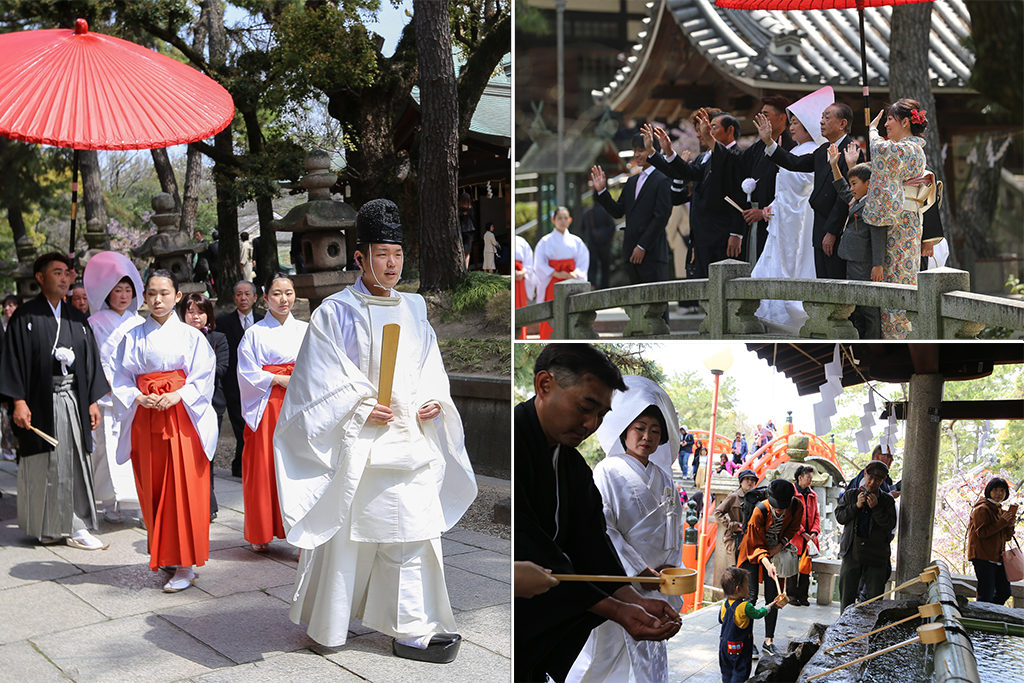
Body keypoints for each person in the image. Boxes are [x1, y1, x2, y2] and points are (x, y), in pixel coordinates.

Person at [273, 199, 477, 662]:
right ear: (360, 257)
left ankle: (409, 629)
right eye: (382, 254)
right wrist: (360, 406)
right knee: (346, 537)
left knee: (413, 532)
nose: (392, 264)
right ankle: (330, 622)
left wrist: (434, 399)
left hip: (412, 437)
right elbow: (317, 381)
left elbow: (429, 364)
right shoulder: (334, 313)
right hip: (361, 443)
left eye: (398, 255)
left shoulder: (415, 307)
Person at [516, 344, 681, 683]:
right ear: (545, 385)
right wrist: (621, 604)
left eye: (602, 415)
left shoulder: (573, 465)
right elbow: (540, 551)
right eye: (585, 407)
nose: (591, 424)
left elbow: (591, 543)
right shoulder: (517, 440)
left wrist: (632, 601)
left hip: (618, 586)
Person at [566, 375, 683, 683]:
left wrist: (673, 568)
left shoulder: (665, 477)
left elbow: (675, 527)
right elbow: (603, 528)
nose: (647, 436)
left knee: (650, 656)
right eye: (640, 428)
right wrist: (637, 569)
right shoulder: (608, 471)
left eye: (655, 431)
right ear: (625, 431)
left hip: (660, 579)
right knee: (606, 651)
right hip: (620, 577)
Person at [112, 270, 217, 592]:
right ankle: (167, 555)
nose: (158, 300)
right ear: (144, 297)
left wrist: (178, 394)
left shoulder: (191, 336)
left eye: (164, 293)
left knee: (183, 488)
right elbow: (120, 376)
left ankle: (186, 563)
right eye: (152, 293)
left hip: (181, 418)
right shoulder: (132, 336)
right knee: (153, 487)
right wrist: (136, 396)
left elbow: (203, 376)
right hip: (146, 416)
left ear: (178, 295)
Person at [0, 253, 108, 549]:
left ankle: (77, 524)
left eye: (66, 273)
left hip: (73, 397)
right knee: (45, 461)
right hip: (39, 400)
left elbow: (89, 362)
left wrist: (91, 402)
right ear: (40, 278)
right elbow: (13, 360)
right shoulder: (25, 316)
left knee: (73, 459)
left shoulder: (77, 317)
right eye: (56, 273)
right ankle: (46, 524)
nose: (63, 278)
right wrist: (18, 400)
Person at [236, 272, 308, 552]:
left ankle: (300, 533)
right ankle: (261, 530)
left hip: (298, 404)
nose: (283, 299)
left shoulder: (305, 329)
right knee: (263, 466)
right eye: (277, 293)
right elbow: (246, 371)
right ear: (265, 298)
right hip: (266, 404)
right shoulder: (254, 333)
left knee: (299, 466)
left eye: (288, 292)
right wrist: (276, 379)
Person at [757, 92, 863, 280]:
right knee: (822, 278)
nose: (821, 122)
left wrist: (832, 231)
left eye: (827, 117)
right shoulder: (823, 149)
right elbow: (794, 163)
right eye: (821, 117)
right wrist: (769, 142)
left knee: (835, 279)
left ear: (842, 123)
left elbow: (846, 195)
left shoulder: (851, 150)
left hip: (838, 225)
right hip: (819, 222)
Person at [750, 89, 830, 329]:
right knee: (774, 263)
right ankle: (772, 314)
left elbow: (802, 186)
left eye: (796, 123)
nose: (792, 127)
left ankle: (789, 316)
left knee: (794, 263)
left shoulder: (812, 152)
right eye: (791, 122)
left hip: (800, 218)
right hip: (783, 216)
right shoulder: (797, 151)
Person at [83, 251, 144, 523]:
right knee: (104, 450)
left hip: (133, 394)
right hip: (106, 394)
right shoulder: (94, 324)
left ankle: (139, 501)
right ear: (107, 293)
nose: (123, 295)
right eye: (117, 290)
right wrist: (102, 384)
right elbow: (91, 358)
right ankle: (110, 502)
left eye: (127, 289)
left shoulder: (140, 322)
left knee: (135, 447)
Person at [646, 116, 747, 279]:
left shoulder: (738, 155)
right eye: (708, 128)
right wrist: (666, 152)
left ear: (730, 130)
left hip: (724, 235)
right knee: (705, 291)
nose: (706, 132)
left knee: (726, 290)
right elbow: (686, 172)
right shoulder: (704, 158)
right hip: (702, 238)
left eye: (713, 127)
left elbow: (740, 196)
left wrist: (737, 233)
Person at [861, 99, 929, 339]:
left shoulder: (909, 148)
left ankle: (898, 336)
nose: (886, 124)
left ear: (906, 122)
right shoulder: (909, 147)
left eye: (890, 119)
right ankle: (899, 333)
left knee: (898, 281)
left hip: (903, 223)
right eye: (886, 119)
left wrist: (871, 130)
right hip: (902, 220)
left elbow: (881, 150)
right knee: (896, 278)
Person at [591, 134, 673, 287]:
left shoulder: (663, 179)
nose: (636, 155)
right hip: (631, 254)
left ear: (652, 150)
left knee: (657, 306)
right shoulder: (632, 181)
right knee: (636, 307)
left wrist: (642, 246)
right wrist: (602, 191)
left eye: (641, 150)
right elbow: (618, 211)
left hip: (652, 254)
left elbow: (661, 217)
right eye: (635, 150)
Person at [737, 479, 803, 656]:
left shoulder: (797, 506)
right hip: (752, 551)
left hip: (775, 550)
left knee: (773, 597)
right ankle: (747, 640)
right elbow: (753, 543)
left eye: (783, 506)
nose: (779, 510)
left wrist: (780, 546)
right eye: (776, 506)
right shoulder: (760, 510)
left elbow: (793, 528)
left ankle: (769, 641)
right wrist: (766, 563)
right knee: (749, 597)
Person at [178, 292, 229, 521]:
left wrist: (193, 374)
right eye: (191, 312)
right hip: (182, 403)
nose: (196, 317)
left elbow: (221, 369)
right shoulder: (176, 338)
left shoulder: (218, 338)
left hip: (211, 403)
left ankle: (208, 504)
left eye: (201, 312)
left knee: (206, 453)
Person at [830, 143, 884, 339]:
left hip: (865, 262)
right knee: (856, 304)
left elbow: (878, 235)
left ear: (869, 183)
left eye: (855, 184)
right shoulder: (859, 200)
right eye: (851, 184)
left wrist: (877, 264)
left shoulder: (872, 204)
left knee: (869, 306)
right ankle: (861, 338)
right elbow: (842, 189)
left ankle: (874, 340)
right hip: (853, 259)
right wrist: (834, 165)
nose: (851, 188)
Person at [732, 96, 795, 262]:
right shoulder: (759, 146)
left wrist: (764, 212)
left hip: (778, 222)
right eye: (760, 114)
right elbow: (737, 163)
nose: (760, 118)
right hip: (754, 219)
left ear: (782, 118)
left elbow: (792, 191)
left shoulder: (792, 148)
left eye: (766, 115)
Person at [835, 460, 897, 612]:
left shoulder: (887, 500)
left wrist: (876, 509)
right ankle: (843, 630)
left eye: (877, 480)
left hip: (876, 553)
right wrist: (856, 506)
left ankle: (869, 631)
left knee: (874, 599)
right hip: (851, 549)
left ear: (883, 481)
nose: (872, 482)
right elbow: (840, 517)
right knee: (847, 596)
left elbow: (889, 525)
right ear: (864, 475)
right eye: (870, 478)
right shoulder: (851, 495)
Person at [216, 281, 264, 478]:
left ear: (255, 297)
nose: (243, 298)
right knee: (240, 426)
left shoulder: (263, 321)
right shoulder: (223, 322)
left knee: (256, 426)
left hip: (260, 383)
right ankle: (243, 465)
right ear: (234, 298)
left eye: (247, 294)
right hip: (233, 383)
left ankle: (244, 464)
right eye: (238, 294)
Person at [533, 207, 589, 340]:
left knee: (572, 312)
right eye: (559, 218)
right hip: (552, 281)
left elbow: (583, 260)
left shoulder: (577, 241)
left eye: (565, 218)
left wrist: (576, 273)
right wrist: (554, 273)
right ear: (553, 220)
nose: (562, 221)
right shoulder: (545, 241)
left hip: (571, 280)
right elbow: (539, 262)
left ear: (570, 220)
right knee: (551, 312)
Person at [719, 566, 780, 683]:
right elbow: (758, 613)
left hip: (724, 647)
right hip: (740, 648)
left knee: (726, 671)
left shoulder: (724, 604)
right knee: (741, 671)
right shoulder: (745, 606)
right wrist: (770, 606)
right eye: (747, 585)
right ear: (738, 589)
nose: (748, 588)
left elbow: (722, 620)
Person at [967, 477, 1017, 606]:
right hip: (983, 556)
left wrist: (1009, 525)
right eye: (995, 490)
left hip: (997, 557)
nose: (999, 493)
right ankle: (982, 621)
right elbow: (981, 533)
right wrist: (1001, 523)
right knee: (986, 594)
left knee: (1005, 592)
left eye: (1002, 490)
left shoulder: (999, 510)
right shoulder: (982, 509)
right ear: (988, 491)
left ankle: (990, 613)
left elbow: (1005, 537)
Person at [788, 465, 820, 606]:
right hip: (795, 536)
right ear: (800, 478)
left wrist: (814, 532)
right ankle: (791, 595)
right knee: (793, 567)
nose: (810, 481)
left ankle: (803, 596)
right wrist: (803, 532)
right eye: (808, 478)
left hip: (809, 539)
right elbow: (790, 517)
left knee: (806, 568)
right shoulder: (792, 494)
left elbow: (817, 516)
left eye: (811, 478)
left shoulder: (812, 494)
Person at [714, 468, 759, 565]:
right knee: (736, 568)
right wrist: (733, 525)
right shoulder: (734, 496)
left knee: (750, 569)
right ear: (741, 481)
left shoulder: (757, 497)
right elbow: (718, 513)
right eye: (747, 479)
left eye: (753, 480)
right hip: (735, 538)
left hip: (751, 538)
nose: (750, 482)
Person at [1, 294, 22, 461]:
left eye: (11, 305)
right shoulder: (2, 327)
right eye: (5, 305)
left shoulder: (25, 325)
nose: (7, 308)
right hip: (6, 384)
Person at [581, 202, 616, 290]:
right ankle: (604, 287)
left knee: (592, 266)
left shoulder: (587, 212)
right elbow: (612, 226)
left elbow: (581, 227)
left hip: (591, 244)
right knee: (605, 267)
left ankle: (592, 285)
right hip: (605, 245)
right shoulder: (606, 211)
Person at [514, 234, 534, 339]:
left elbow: (529, 264)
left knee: (520, 310)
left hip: (520, 280)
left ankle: (521, 336)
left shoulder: (521, 241)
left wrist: (523, 272)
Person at [459, 191, 476, 268]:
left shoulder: (459, 209)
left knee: (460, 250)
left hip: (461, 230)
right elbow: (473, 218)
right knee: (467, 252)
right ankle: (465, 268)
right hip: (469, 229)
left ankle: (460, 267)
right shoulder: (470, 208)